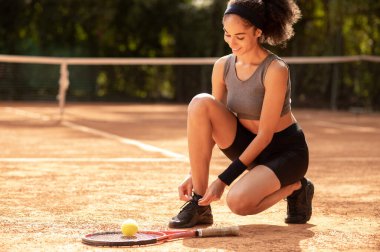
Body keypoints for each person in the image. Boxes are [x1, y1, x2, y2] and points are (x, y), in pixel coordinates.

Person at [169, 0, 314, 228]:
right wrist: (194, 175)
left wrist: (223, 180)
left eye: (239, 36)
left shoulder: (276, 70)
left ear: (257, 32)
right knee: (200, 103)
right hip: (248, 145)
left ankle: (296, 187)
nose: (231, 42)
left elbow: (265, 136)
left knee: (238, 203)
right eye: (227, 34)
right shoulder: (222, 66)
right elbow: (210, 124)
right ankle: (200, 205)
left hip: (284, 152)